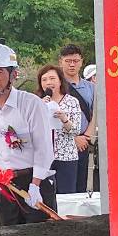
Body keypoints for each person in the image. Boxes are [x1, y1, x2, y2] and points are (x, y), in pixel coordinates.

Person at [0, 43, 58, 225]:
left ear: (13, 75)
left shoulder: (31, 104)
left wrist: (35, 185)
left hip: (35, 182)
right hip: (6, 185)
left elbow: (44, 148)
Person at [36, 64, 85, 195]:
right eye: (44, 79)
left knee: (66, 196)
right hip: (44, 157)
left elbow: (76, 130)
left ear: (59, 81)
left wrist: (64, 119)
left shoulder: (72, 101)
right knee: (45, 195)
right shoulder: (37, 102)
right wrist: (41, 107)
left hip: (66, 157)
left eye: (52, 78)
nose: (48, 83)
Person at [58, 44, 98, 193]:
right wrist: (73, 139)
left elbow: (96, 113)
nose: (72, 64)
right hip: (63, 144)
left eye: (75, 60)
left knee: (83, 185)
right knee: (65, 188)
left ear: (81, 61)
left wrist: (86, 136)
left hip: (85, 142)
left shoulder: (91, 88)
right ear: (61, 61)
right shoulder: (56, 86)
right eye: (68, 61)